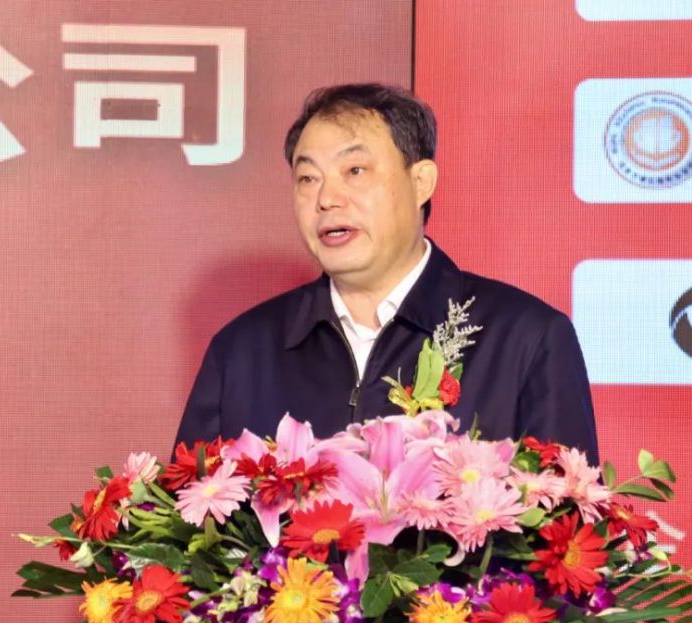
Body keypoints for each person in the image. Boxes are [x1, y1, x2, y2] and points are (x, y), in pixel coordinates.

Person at [175, 83, 599, 464]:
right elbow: (188, 515)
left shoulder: (526, 339)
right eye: (307, 178)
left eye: (355, 171)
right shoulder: (242, 352)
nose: (326, 198)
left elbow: (567, 514)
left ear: (421, 182)